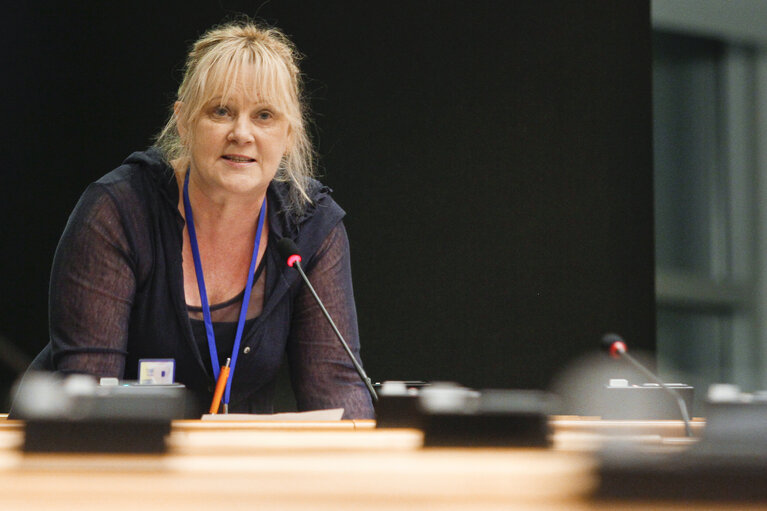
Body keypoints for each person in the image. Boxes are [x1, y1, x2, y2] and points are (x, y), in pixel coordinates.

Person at [24, 20, 375, 419]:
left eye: (264, 116)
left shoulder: (310, 229)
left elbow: (338, 395)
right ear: (183, 122)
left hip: (234, 469)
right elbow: (84, 399)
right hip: (112, 456)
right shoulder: (119, 212)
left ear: (289, 135)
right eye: (221, 111)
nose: (242, 133)